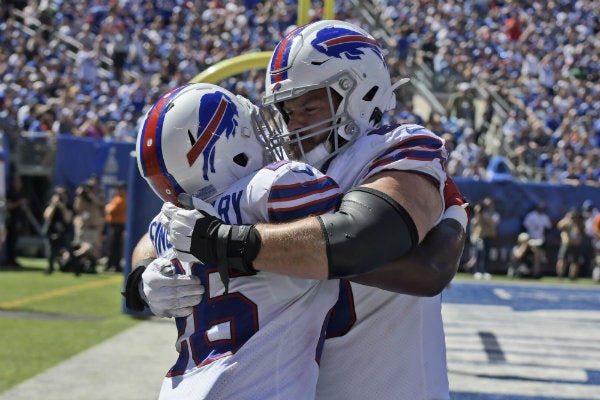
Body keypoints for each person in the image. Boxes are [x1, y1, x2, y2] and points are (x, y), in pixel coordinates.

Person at [156, 20, 468, 399]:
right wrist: (148, 273)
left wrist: (228, 245)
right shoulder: (275, 176)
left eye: (308, 105)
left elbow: (368, 243)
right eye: (286, 111)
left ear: (361, 90)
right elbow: (167, 226)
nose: (293, 125)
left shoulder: (396, 147)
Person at [129, 82, 344, 399]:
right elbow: (354, 236)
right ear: (229, 148)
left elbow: (152, 244)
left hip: (181, 387)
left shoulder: (166, 224)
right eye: (249, 128)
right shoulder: (278, 186)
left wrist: (140, 280)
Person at [70, 176, 105, 275]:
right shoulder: (82, 197)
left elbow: (99, 203)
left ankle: (78, 260)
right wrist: (80, 195)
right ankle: (76, 262)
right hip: (84, 228)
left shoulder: (99, 194)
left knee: (95, 252)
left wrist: (90, 194)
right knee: (87, 248)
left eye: (92, 186)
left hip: (95, 228)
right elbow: (77, 208)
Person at [42, 185, 73, 274]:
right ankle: (50, 267)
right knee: (50, 250)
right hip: (52, 230)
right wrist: (53, 205)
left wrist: (63, 207)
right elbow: (47, 216)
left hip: (64, 231)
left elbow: (68, 219)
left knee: (67, 249)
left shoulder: (68, 205)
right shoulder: (51, 204)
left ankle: (71, 266)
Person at [469, 196, 500, 280]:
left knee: (487, 253)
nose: (487, 206)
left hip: (489, 236)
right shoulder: (479, 213)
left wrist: (483, 216)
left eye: (489, 204)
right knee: (479, 253)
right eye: (486, 204)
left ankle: (485, 271)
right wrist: (478, 213)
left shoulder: (494, 214)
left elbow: (493, 223)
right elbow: (476, 222)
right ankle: (477, 271)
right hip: (480, 236)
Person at [522, 201, 553, 278]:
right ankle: (531, 272)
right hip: (531, 239)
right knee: (531, 256)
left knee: (539, 257)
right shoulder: (531, 215)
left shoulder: (544, 217)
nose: (541, 209)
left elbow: (549, 227)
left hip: (540, 240)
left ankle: (536, 273)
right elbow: (525, 226)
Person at [556, 207, 586, 280]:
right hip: (567, 243)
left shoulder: (580, 223)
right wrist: (568, 219)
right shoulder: (566, 221)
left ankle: (573, 276)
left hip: (576, 243)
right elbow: (559, 226)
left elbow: (583, 230)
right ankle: (560, 275)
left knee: (575, 261)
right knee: (562, 259)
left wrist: (578, 222)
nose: (574, 218)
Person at [104, 181, 127, 272]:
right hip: (115, 225)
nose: (118, 190)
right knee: (114, 246)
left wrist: (107, 206)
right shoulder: (118, 198)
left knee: (113, 247)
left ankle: (112, 265)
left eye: (120, 188)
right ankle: (114, 265)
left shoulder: (121, 199)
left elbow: (110, 210)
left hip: (117, 226)